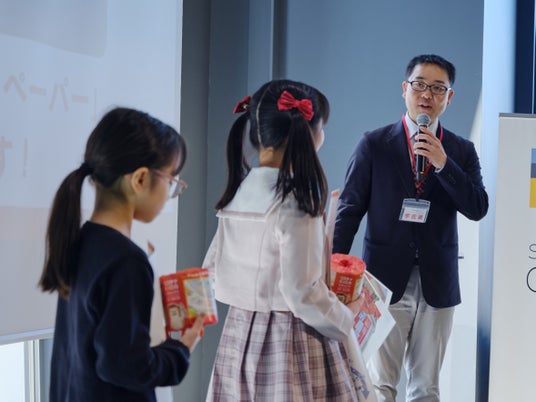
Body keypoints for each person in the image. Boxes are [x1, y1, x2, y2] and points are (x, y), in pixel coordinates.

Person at [202, 79, 374, 401]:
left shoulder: (239, 193)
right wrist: (345, 316)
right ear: (308, 133)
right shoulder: (296, 201)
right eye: (323, 127)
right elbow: (302, 292)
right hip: (291, 339)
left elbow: (211, 269)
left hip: (239, 334)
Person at [333, 54, 489, 402]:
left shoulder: (461, 151)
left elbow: (478, 207)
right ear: (405, 89)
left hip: (437, 282)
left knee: (426, 388)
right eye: (419, 85)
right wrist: (332, 271)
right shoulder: (374, 144)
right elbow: (349, 210)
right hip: (383, 282)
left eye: (438, 88)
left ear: (449, 97)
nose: (427, 94)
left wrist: (443, 164)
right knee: (379, 385)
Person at [39, 107, 205, 402]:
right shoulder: (127, 261)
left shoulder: (82, 241)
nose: (171, 192)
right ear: (140, 179)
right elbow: (127, 367)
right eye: (171, 181)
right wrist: (181, 349)